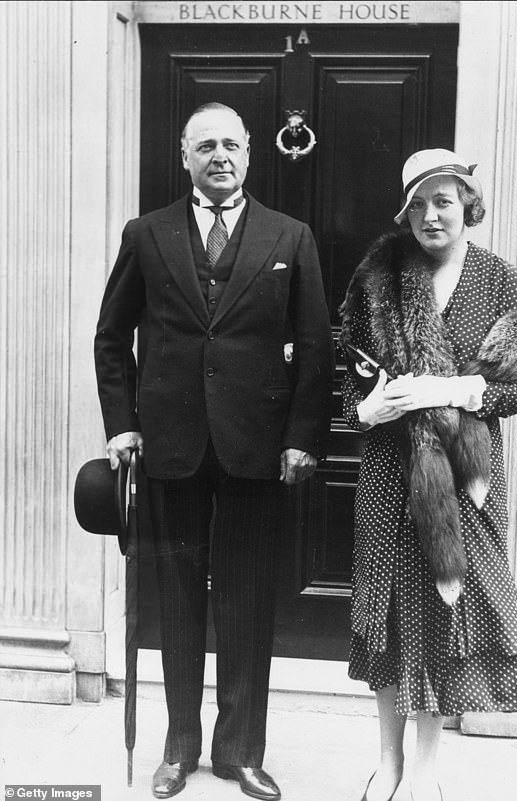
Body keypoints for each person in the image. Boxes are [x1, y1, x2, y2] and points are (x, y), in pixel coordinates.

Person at [94, 102, 334, 800]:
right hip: (169, 444)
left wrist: (301, 438)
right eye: (206, 145)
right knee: (175, 601)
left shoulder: (291, 236)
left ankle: (240, 752)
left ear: (252, 154)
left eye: (232, 143)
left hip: (257, 448)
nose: (220, 155)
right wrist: (122, 423)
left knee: (248, 599)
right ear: (184, 154)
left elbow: (315, 346)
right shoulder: (146, 235)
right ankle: (178, 746)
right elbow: (112, 338)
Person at [339, 149, 517, 801]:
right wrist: (368, 408)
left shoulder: (503, 284)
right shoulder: (377, 277)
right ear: (405, 211)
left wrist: (467, 389)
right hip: (387, 470)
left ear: (468, 203)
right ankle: (387, 760)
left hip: (463, 477)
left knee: (443, 609)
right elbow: (348, 375)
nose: (432, 213)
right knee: (382, 610)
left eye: (445, 199)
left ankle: (428, 764)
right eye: (420, 202)